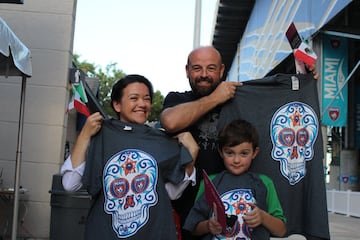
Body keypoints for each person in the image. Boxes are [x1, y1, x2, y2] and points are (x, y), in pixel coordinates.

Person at [160, 45, 321, 240]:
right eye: (197, 68)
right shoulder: (177, 99)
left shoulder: (242, 98)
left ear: (222, 71)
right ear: (187, 71)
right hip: (192, 220)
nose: (204, 74)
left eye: (211, 68)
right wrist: (215, 98)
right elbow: (170, 122)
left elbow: (277, 97)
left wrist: (303, 77)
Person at [61, 74, 199, 240]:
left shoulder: (162, 140)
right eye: (134, 98)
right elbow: (70, 184)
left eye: (146, 99)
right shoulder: (100, 136)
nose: (142, 104)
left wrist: (191, 155)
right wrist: (85, 135)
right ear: (117, 105)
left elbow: (171, 193)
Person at [183, 119, 287, 239]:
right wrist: (208, 225)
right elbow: (193, 228)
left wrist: (263, 217)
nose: (236, 160)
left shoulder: (264, 183)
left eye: (244, 153)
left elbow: (281, 230)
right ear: (221, 152)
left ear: (254, 152)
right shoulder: (210, 182)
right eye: (230, 153)